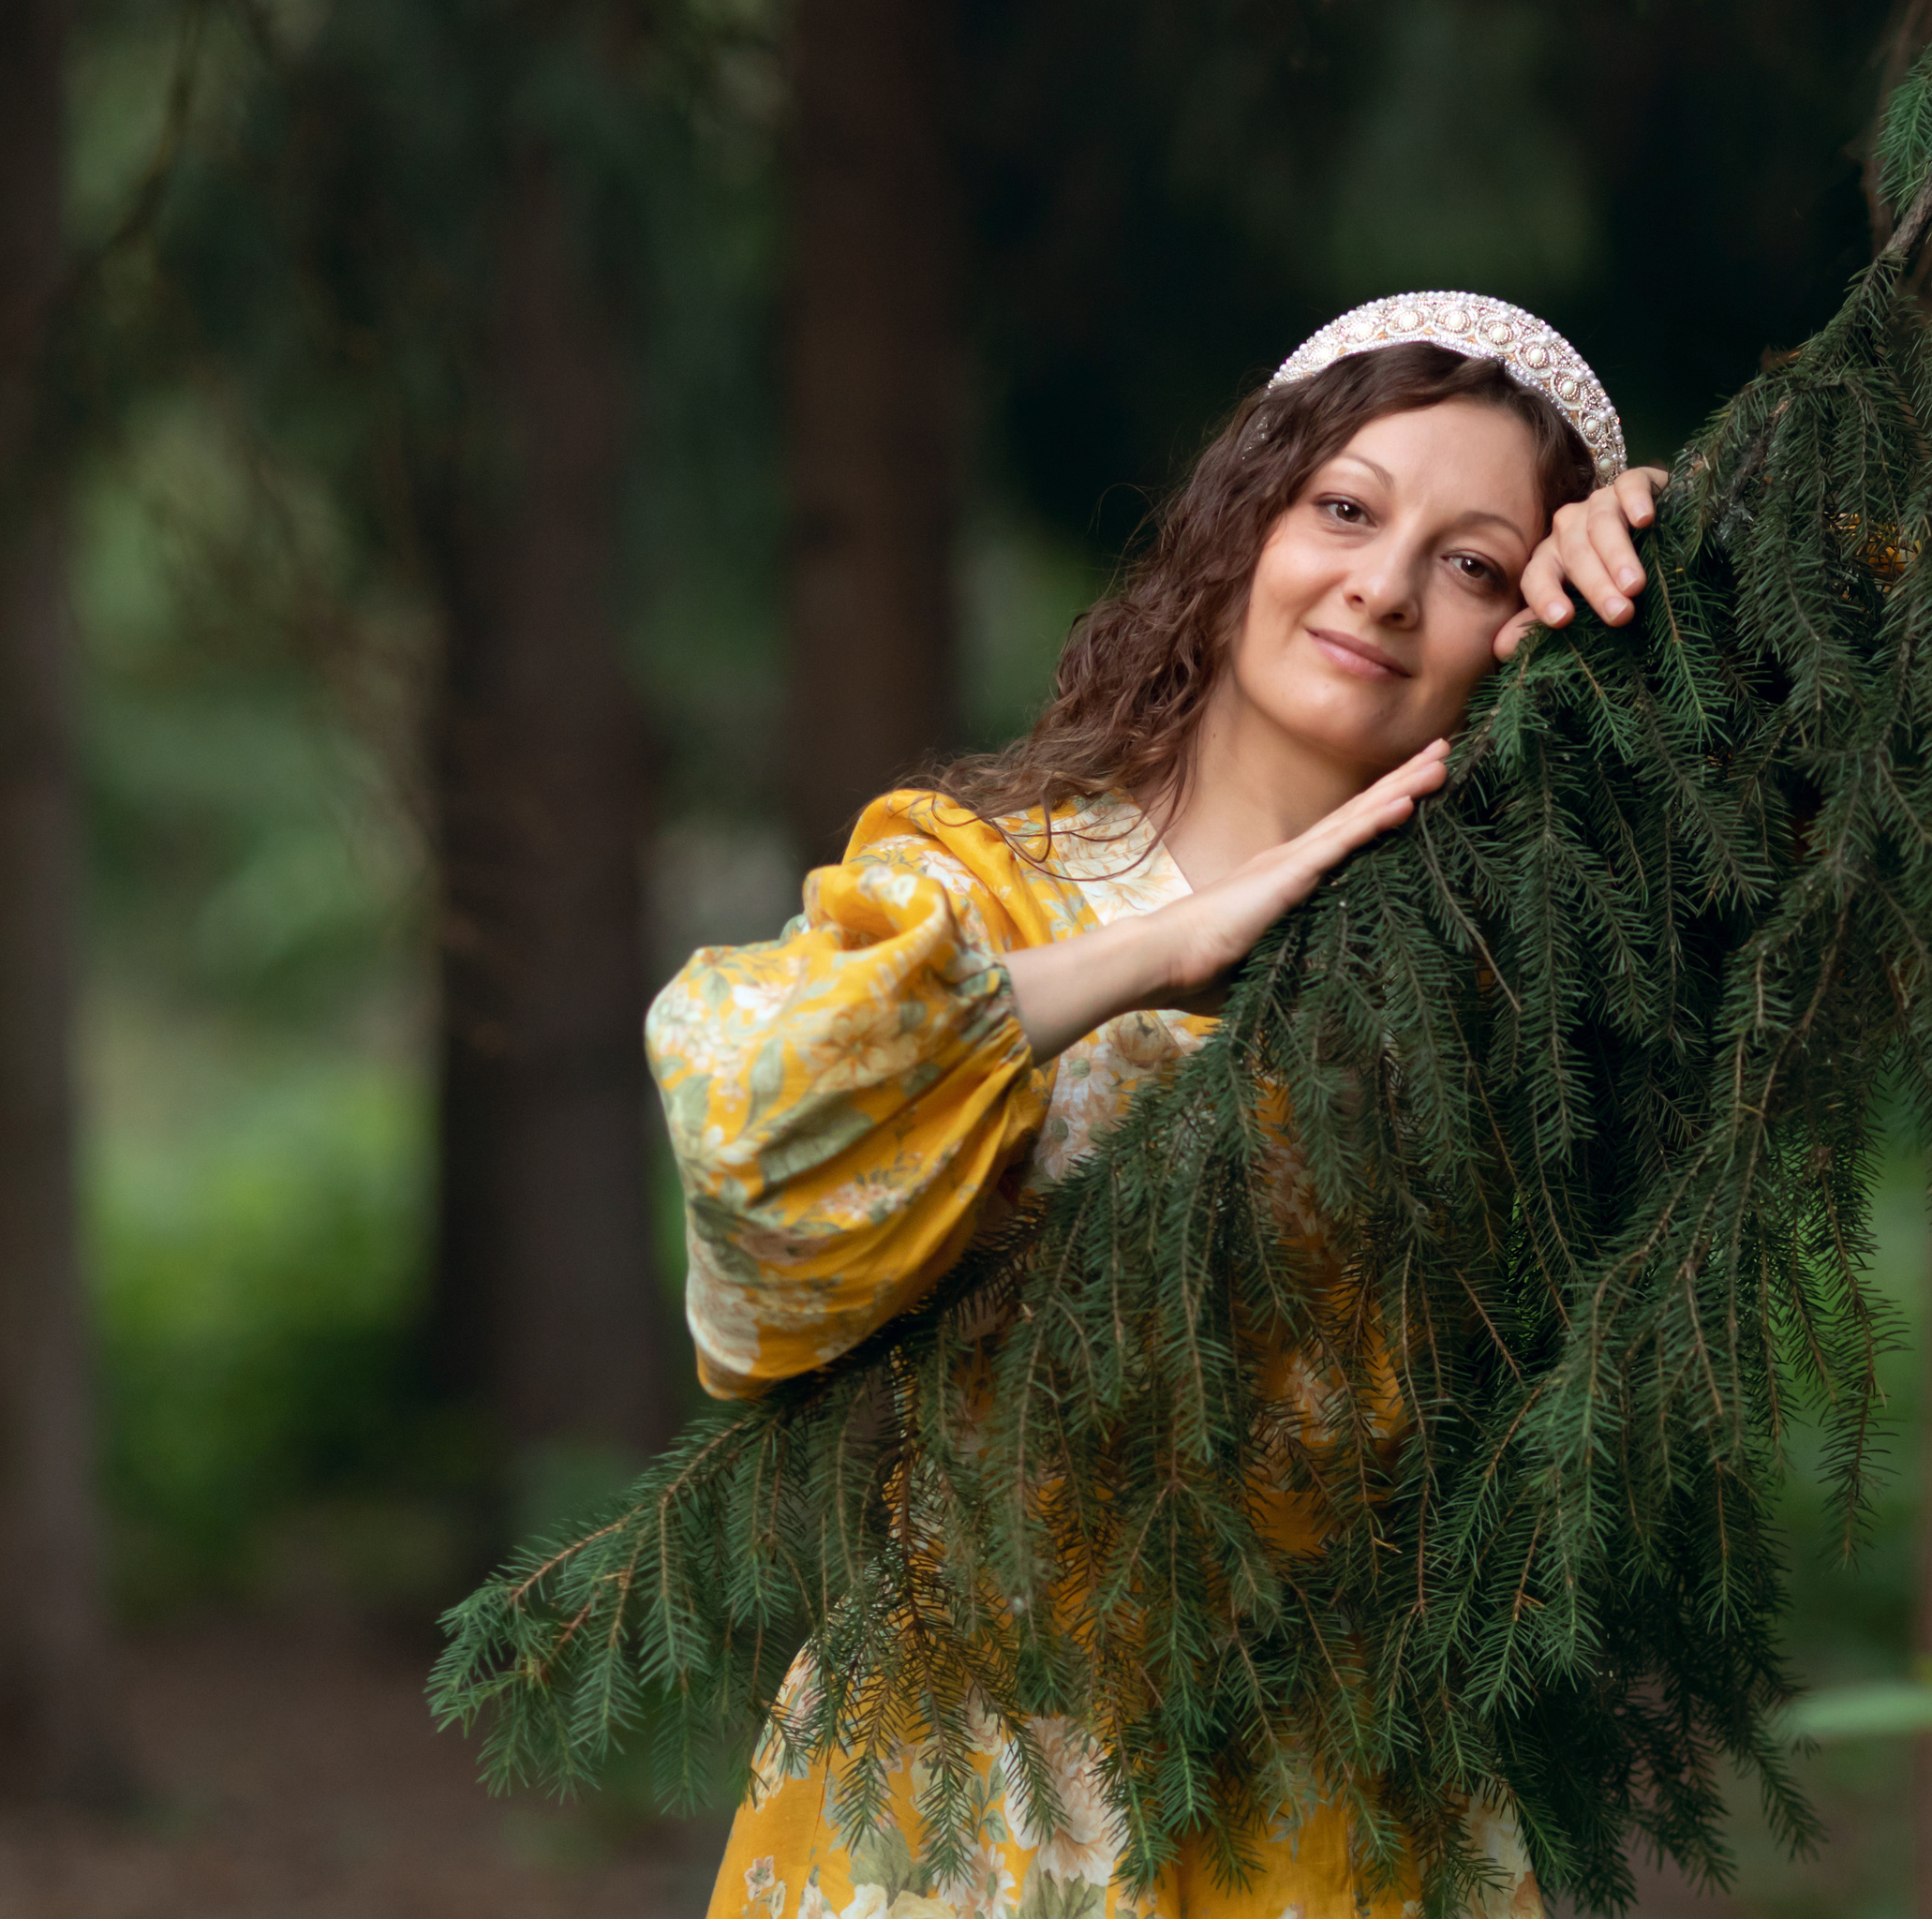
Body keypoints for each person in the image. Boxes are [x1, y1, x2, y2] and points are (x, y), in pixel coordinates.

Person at [646, 294, 1670, 1919]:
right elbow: (750, 1133)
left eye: (1476, 563)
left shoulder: (1516, 960)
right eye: (1345, 508)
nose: (1384, 588)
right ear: (1245, 518)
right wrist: (1143, 957)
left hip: (1350, 1808)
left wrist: (1681, 575)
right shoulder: (985, 882)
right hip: (969, 1797)